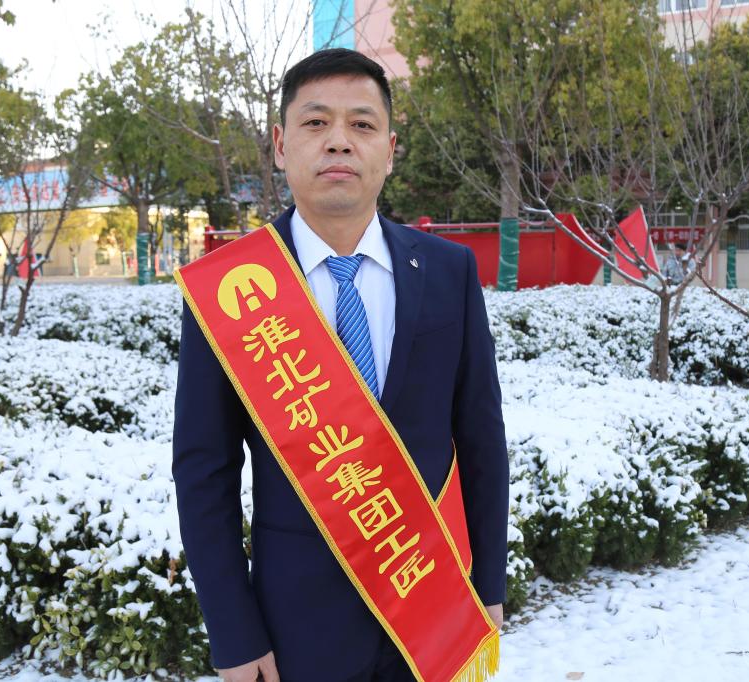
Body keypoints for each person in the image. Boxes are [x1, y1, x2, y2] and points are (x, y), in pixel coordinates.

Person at [172, 48, 509, 682]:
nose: (339, 141)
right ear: (280, 145)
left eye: (362, 124)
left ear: (390, 148)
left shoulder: (448, 271)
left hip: (434, 604)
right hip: (294, 628)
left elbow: (481, 440)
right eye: (315, 122)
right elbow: (204, 472)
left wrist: (487, 585)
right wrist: (234, 635)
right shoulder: (231, 289)